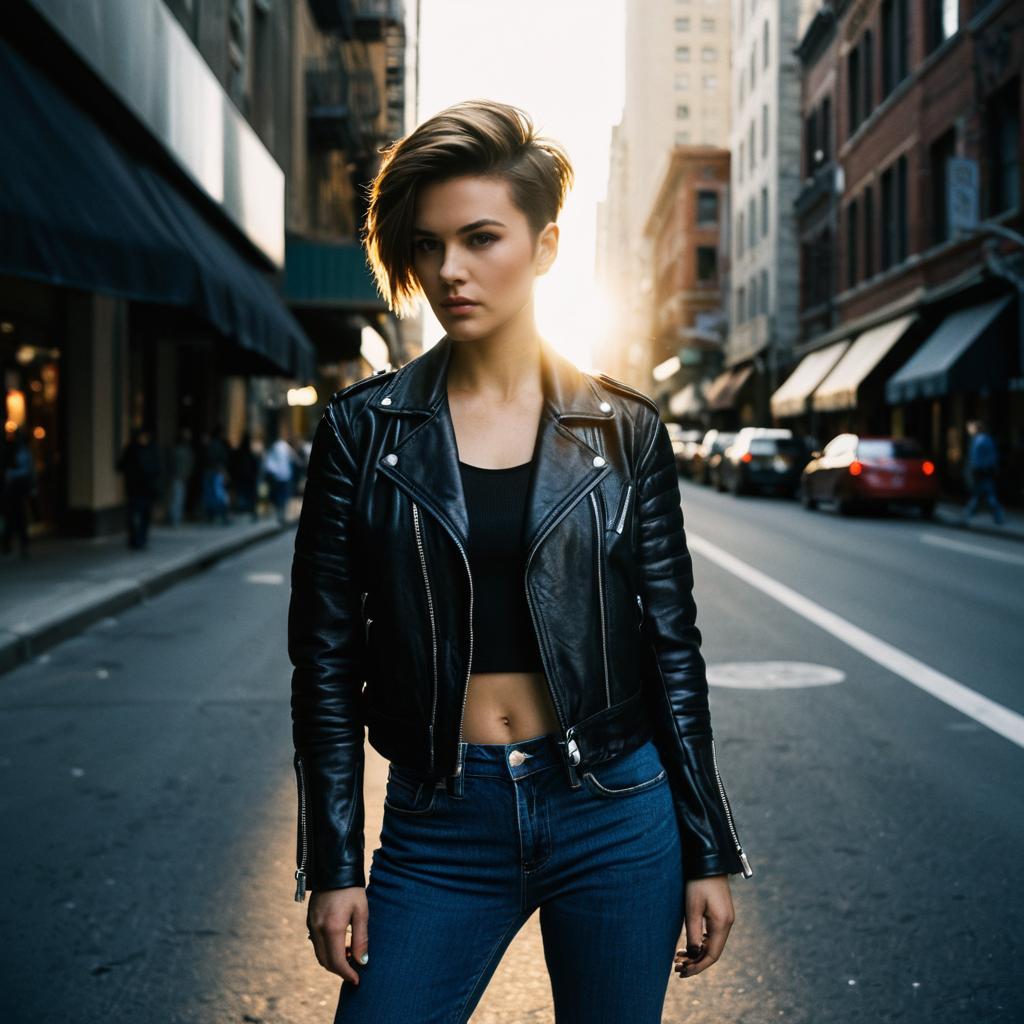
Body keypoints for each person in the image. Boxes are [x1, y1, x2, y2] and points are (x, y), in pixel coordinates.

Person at [288, 100, 752, 1024]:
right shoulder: (361, 432)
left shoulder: (623, 432)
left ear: (543, 247)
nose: (449, 270)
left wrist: (707, 846)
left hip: (615, 809)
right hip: (440, 820)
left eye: (481, 238)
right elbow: (326, 661)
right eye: (428, 245)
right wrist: (334, 863)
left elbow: (672, 651)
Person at [116, 426, 161, 549]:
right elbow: (121, 466)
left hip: (147, 489)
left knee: (145, 515)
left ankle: (142, 539)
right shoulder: (131, 450)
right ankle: (134, 539)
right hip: (134, 489)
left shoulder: (152, 450)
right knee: (134, 515)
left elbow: (157, 469)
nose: (143, 439)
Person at [961, 418, 1005, 526]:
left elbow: (975, 460)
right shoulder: (988, 440)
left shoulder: (978, 441)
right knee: (985, 495)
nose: (969, 430)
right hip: (987, 471)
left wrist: (974, 471)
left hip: (980, 472)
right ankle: (997, 517)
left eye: (971, 427)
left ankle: (968, 516)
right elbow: (994, 457)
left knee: (982, 495)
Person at [2, 427, 36, 558]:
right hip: (14, 488)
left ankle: (16, 544)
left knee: (17, 517)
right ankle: (12, 544)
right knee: (15, 517)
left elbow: (29, 470)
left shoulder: (20, 451)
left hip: (17, 487)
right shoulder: (15, 450)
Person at [263, 431, 300, 524]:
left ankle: (279, 514)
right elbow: (295, 458)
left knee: (278, 495)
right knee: (284, 495)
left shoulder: (274, 446)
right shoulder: (285, 446)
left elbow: (268, 461)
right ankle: (282, 514)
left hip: (277, 475)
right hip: (285, 475)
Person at [167, 427, 194, 527]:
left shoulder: (186, 450)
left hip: (182, 477)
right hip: (178, 477)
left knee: (179, 499)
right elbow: (174, 465)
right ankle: (174, 519)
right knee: (176, 499)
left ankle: (176, 518)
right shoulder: (178, 450)